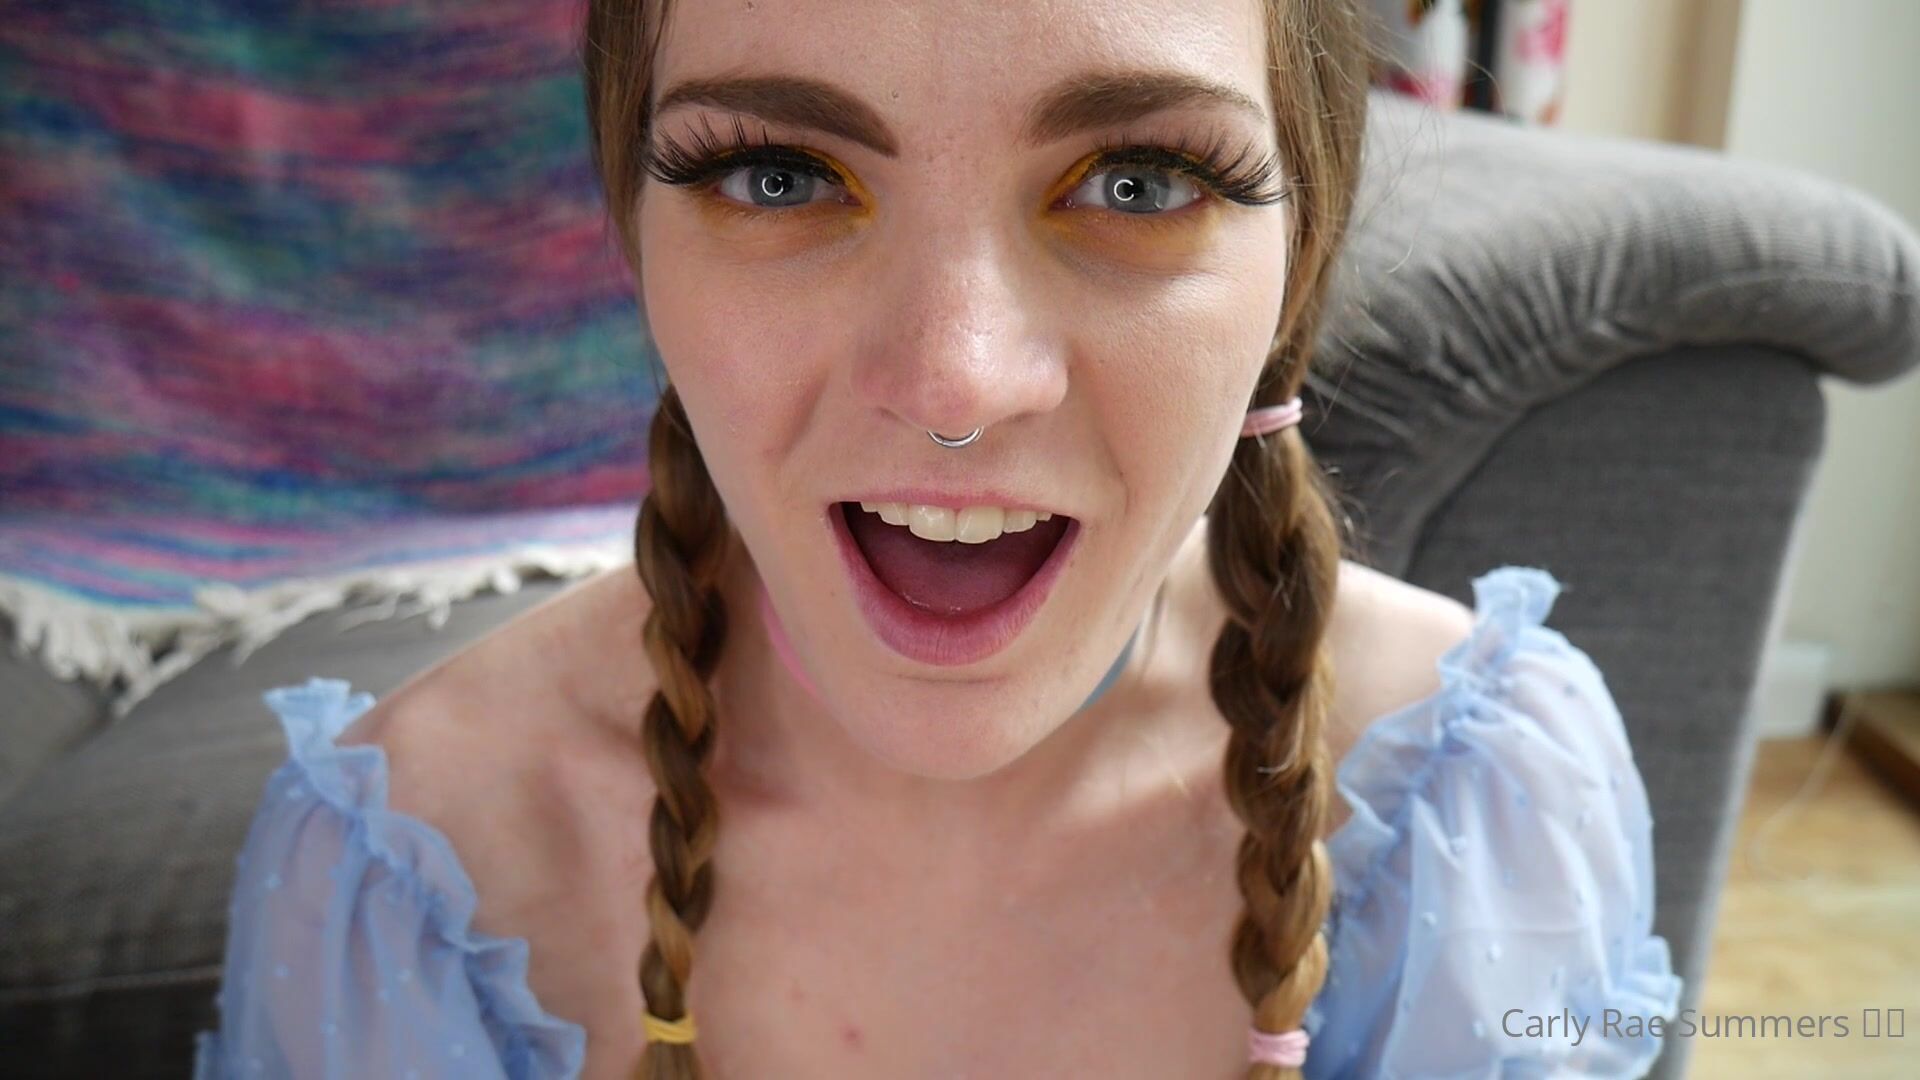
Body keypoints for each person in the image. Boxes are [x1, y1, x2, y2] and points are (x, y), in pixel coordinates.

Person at [192, 0, 1684, 1076]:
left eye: (1140, 182)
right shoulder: (414, 877)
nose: (954, 383)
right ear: (635, 239)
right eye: (781, 176)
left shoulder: (1475, 807)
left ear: (1297, 266)